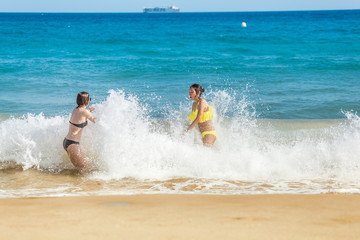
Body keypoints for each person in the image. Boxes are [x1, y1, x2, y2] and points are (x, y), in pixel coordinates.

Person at [63, 91, 96, 170]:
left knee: (80, 170)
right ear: (86, 101)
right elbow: (95, 120)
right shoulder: (85, 112)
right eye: (89, 99)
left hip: (67, 141)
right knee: (86, 169)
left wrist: (89, 111)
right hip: (73, 144)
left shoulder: (76, 109)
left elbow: (82, 114)